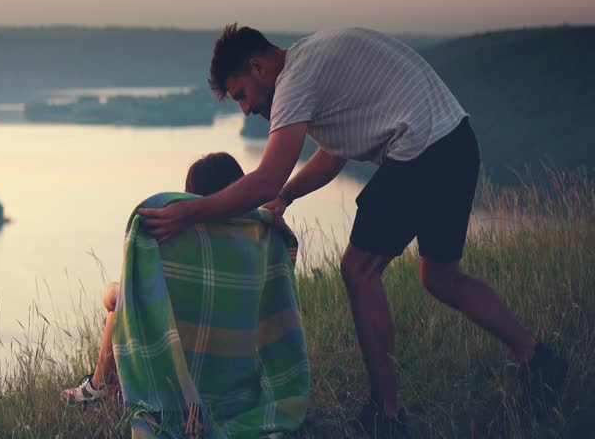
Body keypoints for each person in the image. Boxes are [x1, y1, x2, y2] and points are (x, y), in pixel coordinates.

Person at [136, 25, 568, 438]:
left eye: (242, 95)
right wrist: (287, 196)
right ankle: (536, 358)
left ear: (258, 66)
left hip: (422, 151)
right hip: (456, 142)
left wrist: (193, 214)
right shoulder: (313, 63)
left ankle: (387, 416)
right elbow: (332, 154)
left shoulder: (295, 79)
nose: (246, 109)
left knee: (358, 270)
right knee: (440, 276)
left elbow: (266, 177)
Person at [62, 151, 246, 405]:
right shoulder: (255, 241)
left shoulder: (185, 243)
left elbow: (128, 297)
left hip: (183, 360)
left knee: (119, 302)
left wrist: (111, 293)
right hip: (238, 364)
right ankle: (100, 387)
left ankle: (97, 387)